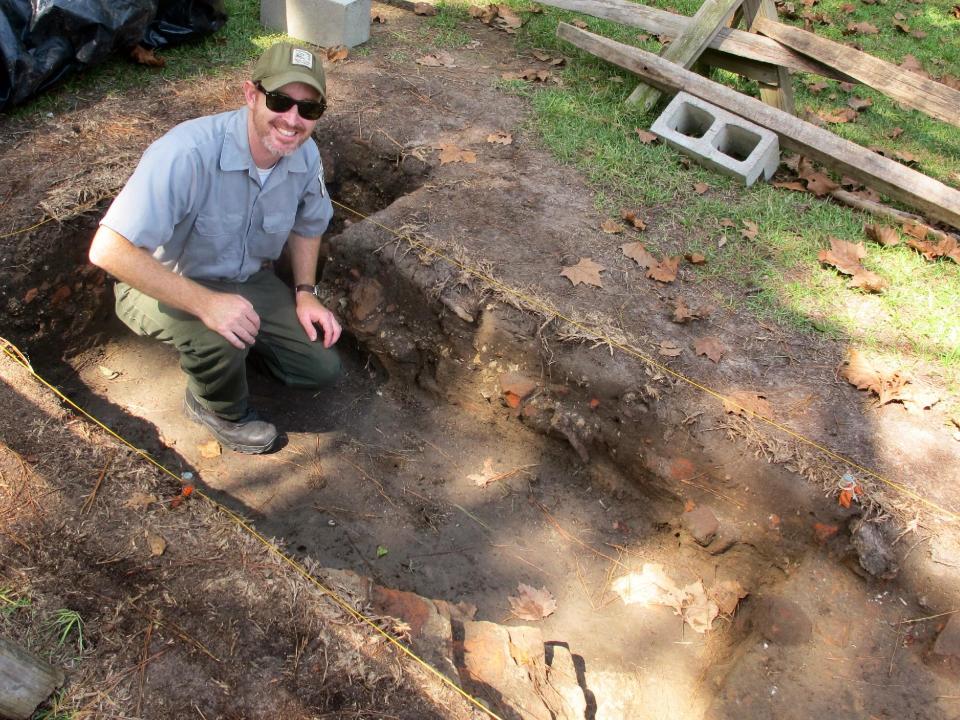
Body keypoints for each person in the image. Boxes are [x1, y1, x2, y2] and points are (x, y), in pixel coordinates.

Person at [88, 42, 342, 454]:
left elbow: (308, 225)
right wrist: (206, 304)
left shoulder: (304, 154)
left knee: (321, 369)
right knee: (220, 337)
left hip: (246, 278)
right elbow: (107, 250)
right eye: (280, 101)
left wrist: (305, 293)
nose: (293, 120)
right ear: (250, 94)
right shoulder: (187, 152)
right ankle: (216, 406)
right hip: (161, 281)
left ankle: (239, 351)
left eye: (308, 110)